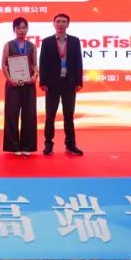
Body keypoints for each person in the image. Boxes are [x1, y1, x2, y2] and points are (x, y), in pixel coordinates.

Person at [39, 13, 85, 156]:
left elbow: (78, 62)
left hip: (69, 83)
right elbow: (43, 62)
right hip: (52, 84)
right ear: (54, 24)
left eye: (63, 21)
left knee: (69, 115)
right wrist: (43, 81)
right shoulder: (47, 42)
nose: (60, 24)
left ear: (68, 24)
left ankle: (70, 144)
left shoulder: (74, 41)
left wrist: (78, 81)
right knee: (50, 116)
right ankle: (48, 144)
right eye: (58, 21)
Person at [2, 16, 38, 156]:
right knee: (12, 115)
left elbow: (35, 65)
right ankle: (13, 146)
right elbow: (4, 65)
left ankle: (27, 146)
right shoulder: (8, 45)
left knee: (29, 115)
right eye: (18, 28)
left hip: (28, 85)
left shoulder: (32, 46)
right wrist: (9, 79)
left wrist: (35, 76)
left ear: (27, 29)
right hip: (13, 85)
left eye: (24, 28)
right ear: (14, 30)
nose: (21, 30)